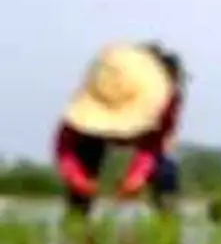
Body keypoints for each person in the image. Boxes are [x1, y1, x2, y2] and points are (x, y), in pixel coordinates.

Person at [54, 42, 185, 217]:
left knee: (165, 171)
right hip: (93, 136)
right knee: (81, 184)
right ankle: (77, 221)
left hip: (150, 139)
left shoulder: (166, 101)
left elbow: (153, 145)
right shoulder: (99, 93)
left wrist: (136, 178)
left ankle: (167, 219)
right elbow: (66, 146)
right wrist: (78, 180)